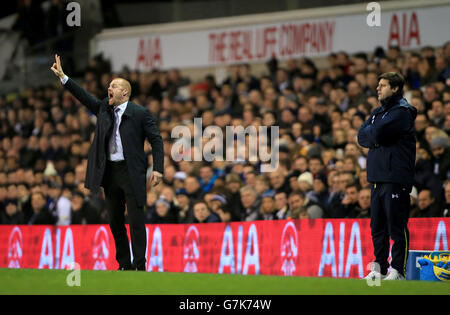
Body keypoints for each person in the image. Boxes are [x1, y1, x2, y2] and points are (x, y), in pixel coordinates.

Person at [51, 54, 164, 271]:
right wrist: (65, 78)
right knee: (114, 221)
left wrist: (158, 168)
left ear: (125, 92)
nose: (108, 88)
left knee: (136, 220)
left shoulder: (140, 113)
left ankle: (140, 266)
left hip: (132, 171)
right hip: (110, 172)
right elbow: (85, 97)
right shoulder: (104, 108)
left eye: (113, 86)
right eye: (109, 85)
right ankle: (124, 264)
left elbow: (156, 140)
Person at [358, 72, 417, 280]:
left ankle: (398, 270)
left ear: (395, 88)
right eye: (378, 85)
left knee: (396, 225)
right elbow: (362, 136)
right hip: (377, 177)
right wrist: (375, 134)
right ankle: (380, 269)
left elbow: (375, 134)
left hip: (395, 177)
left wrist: (375, 134)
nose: (378, 88)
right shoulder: (377, 113)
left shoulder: (402, 112)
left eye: (382, 85)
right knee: (377, 227)